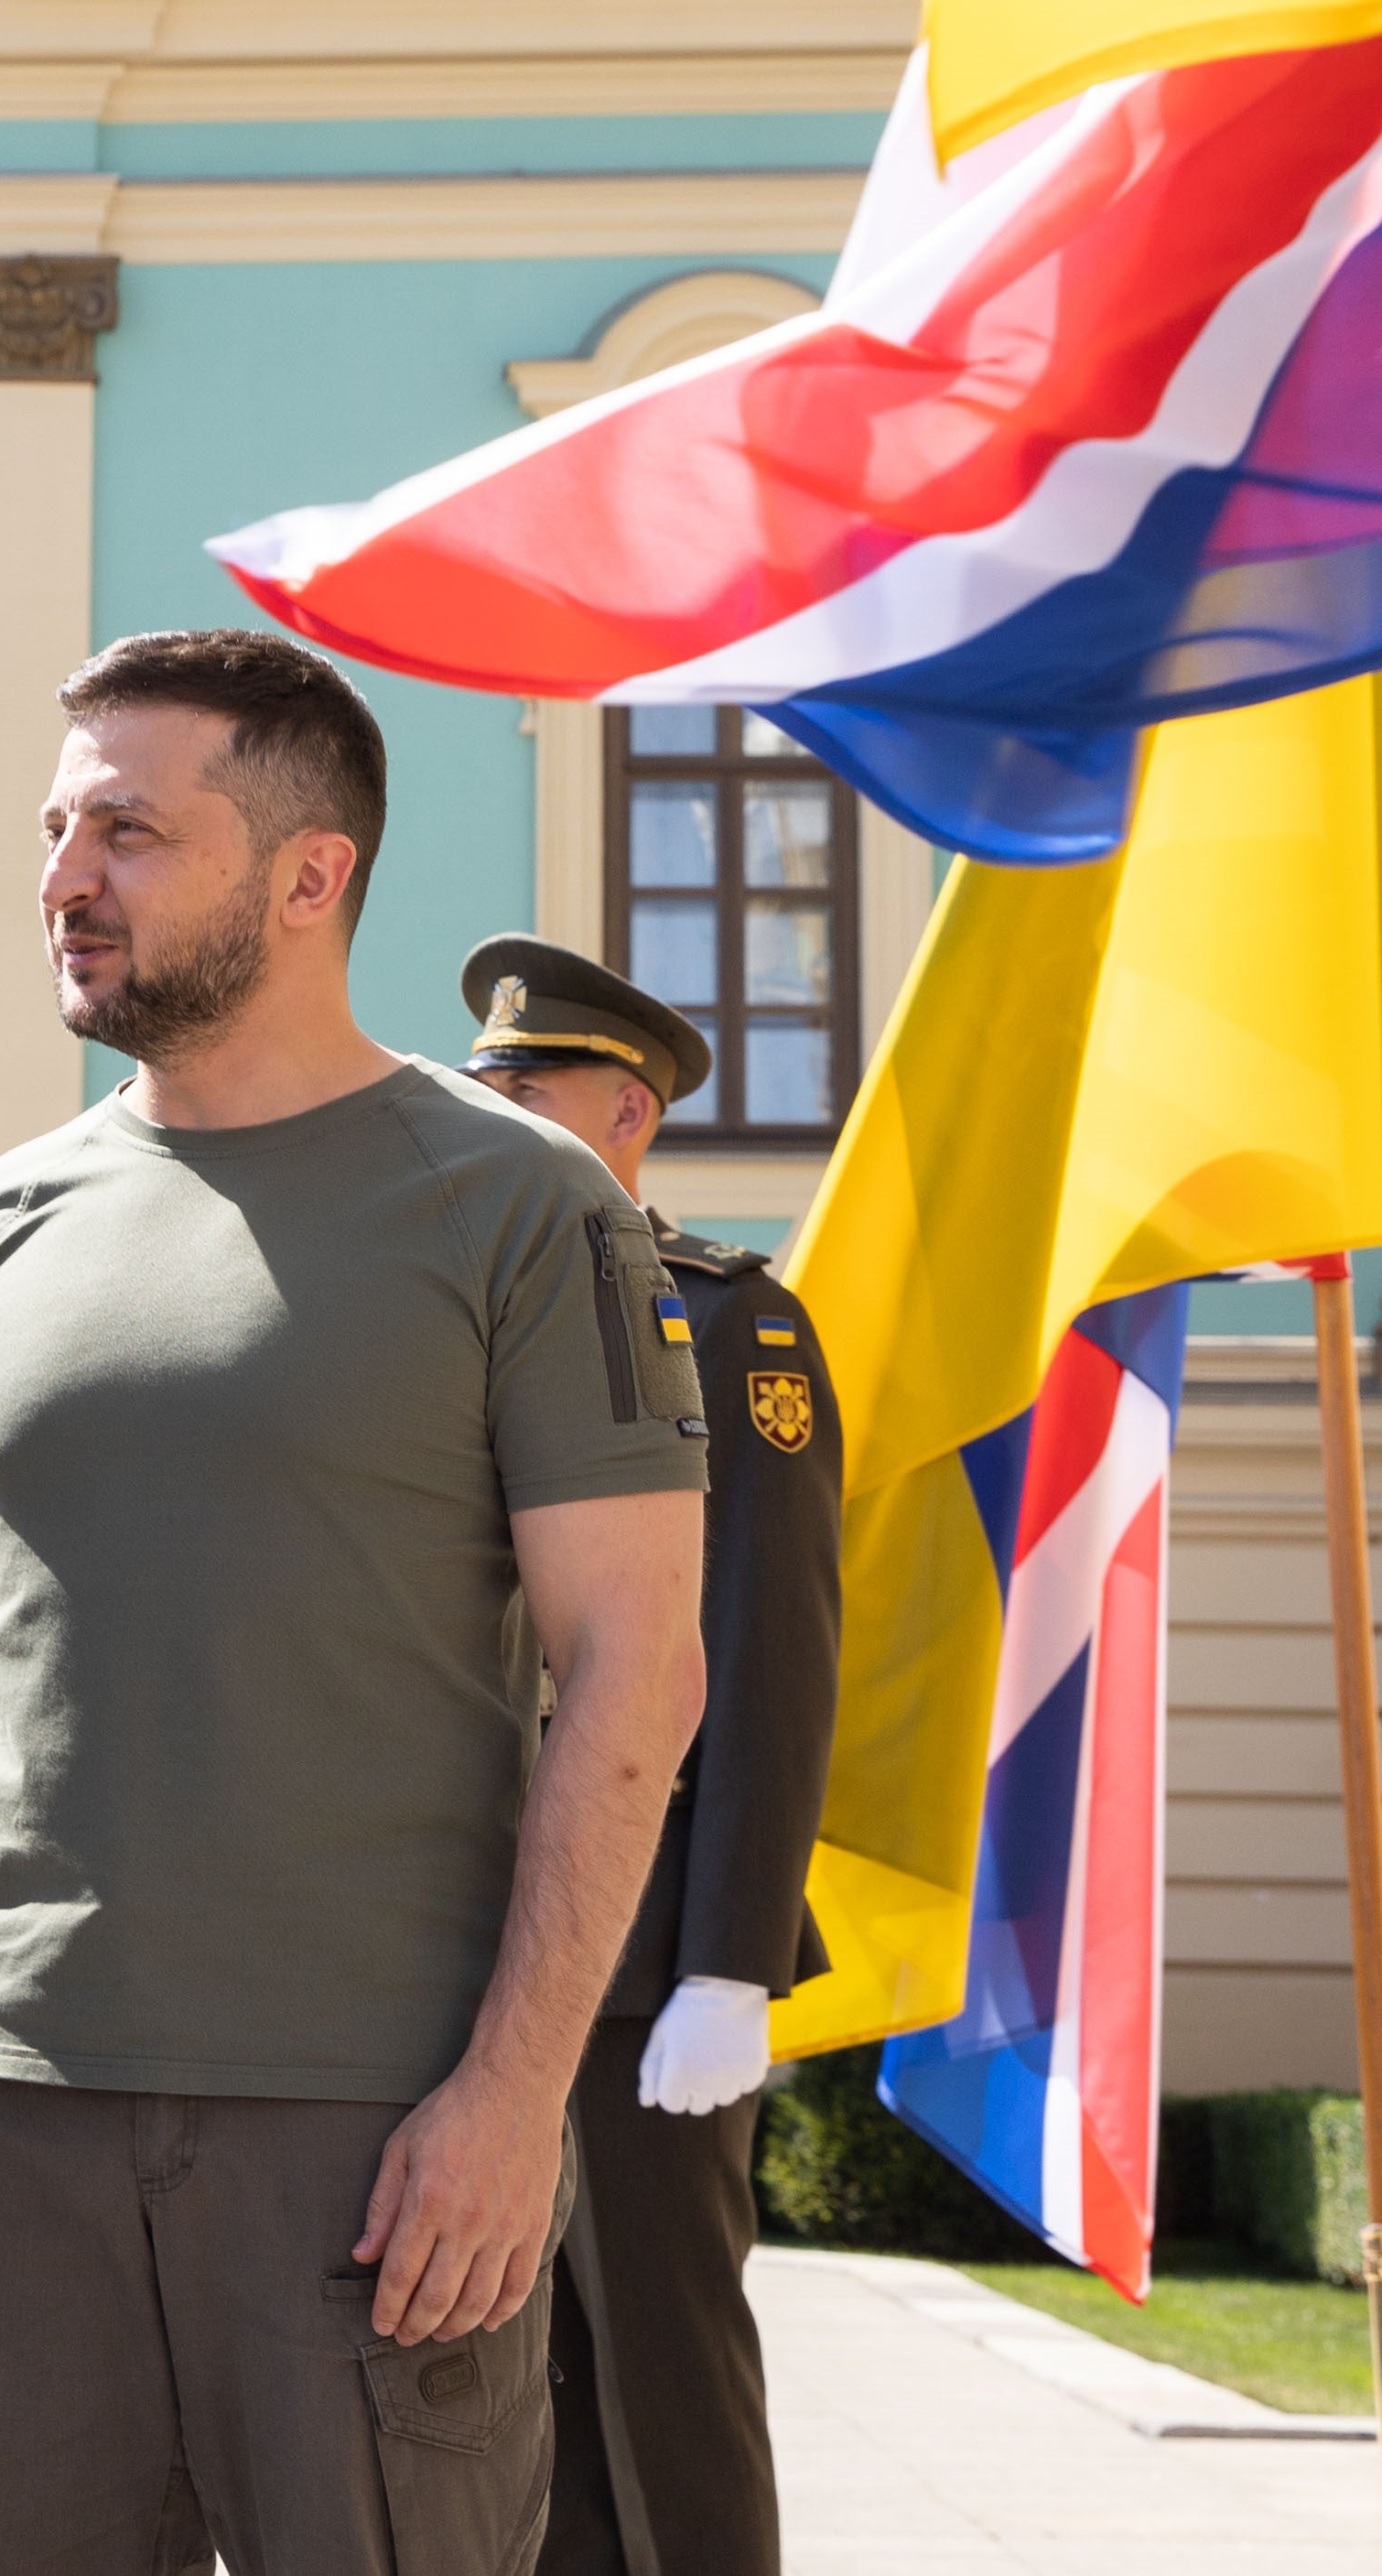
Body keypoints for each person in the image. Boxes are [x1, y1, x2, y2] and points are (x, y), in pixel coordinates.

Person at [0, 629, 711, 2576]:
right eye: (54, 827)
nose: (61, 875)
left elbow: (636, 1667)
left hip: (371, 2137)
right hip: (14, 2119)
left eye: (127, 827)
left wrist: (511, 2094)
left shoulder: (529, 1210)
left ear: (310, 875)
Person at [455, 936, 841, 2576]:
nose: (491, 1119)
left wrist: (730, 1960)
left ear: (623, 1113)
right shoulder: (450, 1303)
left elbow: (771, 1646)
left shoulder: (723, 1323)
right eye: (482, 1093)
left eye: (523, 1093)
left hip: (640, 1960)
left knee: (659, 2368)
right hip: (460, 1931)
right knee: (491, 2372)